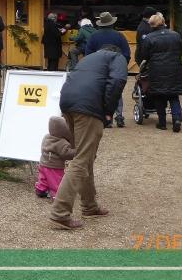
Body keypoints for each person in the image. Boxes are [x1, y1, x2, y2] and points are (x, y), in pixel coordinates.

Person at [49, 46, 127, 230]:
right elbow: (118, 80)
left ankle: (89, 206)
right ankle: (59, 214)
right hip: (88, 107)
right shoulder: (118, 57)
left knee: (86, 157)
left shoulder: (89, 58)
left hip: (67, 102)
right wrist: (108, 111)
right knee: (81, 159)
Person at [136, 14, 182, 132]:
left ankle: (162, 122)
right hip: (174, 68)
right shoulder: (175, 35)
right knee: (173, 95)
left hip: (156, 69)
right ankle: (176, 119)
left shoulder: (149, 38)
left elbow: (145, 55)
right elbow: (181, 51)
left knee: (159, 96)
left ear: (151, 24)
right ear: (163, 22)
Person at [84, 12, 130, 127]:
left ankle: (105, 118)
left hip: (99, 68)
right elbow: (127, 54)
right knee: (116, 92)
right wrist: (122, 66)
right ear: (112, 23)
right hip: (116, 67)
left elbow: (88, 54)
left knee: (100, 92)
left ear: (101, 24)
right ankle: (119, 117)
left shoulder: (94, 36)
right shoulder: (119, 36)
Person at [36, 116, 75, 200]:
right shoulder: (61, 142)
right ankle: (57, 195)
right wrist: (76, 151)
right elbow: (66, 154)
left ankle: (40, 189)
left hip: (43, 162)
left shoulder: (46, 136)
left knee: (43, 178)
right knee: (56, 181)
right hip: (54, 166)